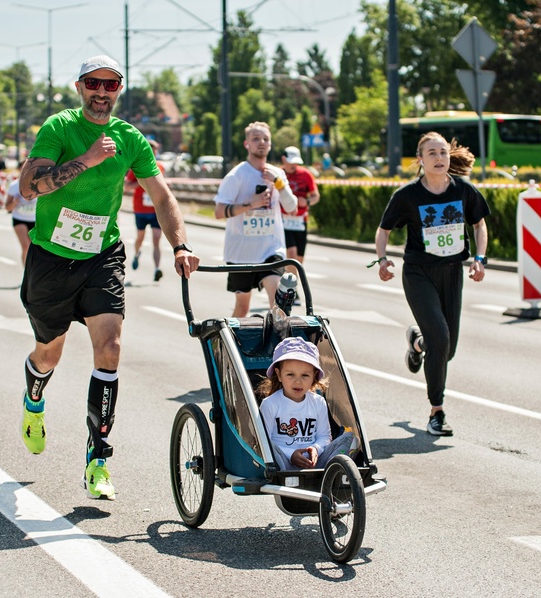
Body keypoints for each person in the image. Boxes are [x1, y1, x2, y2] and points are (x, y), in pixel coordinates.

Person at [16, 55, 199, 500]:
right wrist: (89, 158)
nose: (102, 92)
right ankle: (34, 399)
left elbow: (161, 195)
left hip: (102, 253)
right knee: (49, 353)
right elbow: (29, 186)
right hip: (52, 257)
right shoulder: (59, 128)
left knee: (111, 346)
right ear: (80, 87)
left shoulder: (130, 138)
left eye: (111, 85)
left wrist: (179, 244)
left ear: (119, 90)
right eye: (94, 84)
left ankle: (98, 459)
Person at [372, 132, 489, 437]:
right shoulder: (408, 195)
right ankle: (437, 411)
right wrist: (382, 260)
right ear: (420, 160)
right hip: (419, 273)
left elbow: (479, 224)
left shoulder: (464, 190)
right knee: (440, 339)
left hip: (452, 272)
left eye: (443, 152)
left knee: (445, 349)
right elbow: (383, 230)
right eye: (432, 153)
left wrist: (480, 258)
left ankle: (417, 342)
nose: (439, 158)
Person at [213, 121, 297, 317]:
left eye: (266, 139)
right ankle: (229, 346)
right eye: (256, 139)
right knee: (242, 308)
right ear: (246, 144)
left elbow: (292, 208)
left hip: (270, 249)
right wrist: (251, 204)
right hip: (241, 253)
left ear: (270, 144)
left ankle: (277, 344)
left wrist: (279, 184)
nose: (261, 142)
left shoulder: (277, 174)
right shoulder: (237, 175)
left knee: (279, 302)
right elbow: (218, 211)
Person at [259, 337, 358, 470]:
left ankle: (330, 473)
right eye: (290, 375)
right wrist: (291, 454)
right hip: (283, 463)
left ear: (314, 376)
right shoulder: (270, 404)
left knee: (351, 439)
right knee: (266, 444)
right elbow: (265, 442)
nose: (298, 381)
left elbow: (324, 436)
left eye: (305, 375)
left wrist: (316, 449)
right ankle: (284, 479)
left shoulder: (318, 402)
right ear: (279, 374)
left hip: (315, 463)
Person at [125, 138, 165, 281]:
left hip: (155, 210)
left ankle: (157, 269)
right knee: (140, 238)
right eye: (151, 150)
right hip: (140, 210)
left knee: (156, 240)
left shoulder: (160, 167)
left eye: (155, 151)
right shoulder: (135, 167)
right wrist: (141, 183)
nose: (153, 153)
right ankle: (136, 254)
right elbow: (126, 186)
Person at [279, 146, 320, 282]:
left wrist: (307, 202)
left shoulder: (306, 174)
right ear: (283, 159)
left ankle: (288, 282)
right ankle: (291, 289)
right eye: (291, 162)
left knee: (299, 259)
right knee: (291, 254)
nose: (293, 165)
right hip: (283, 219)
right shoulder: (278, 174)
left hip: (300, 221)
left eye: (296, 162)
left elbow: (316, 196)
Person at [3, 161, 35, 266]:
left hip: (35, 220)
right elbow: (7, 207)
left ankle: (32, 273)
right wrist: (15, 202)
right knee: (26, 246)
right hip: (19, 219)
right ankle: (26, 274)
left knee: (34, 249)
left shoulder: (38, 184)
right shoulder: (14, 185)